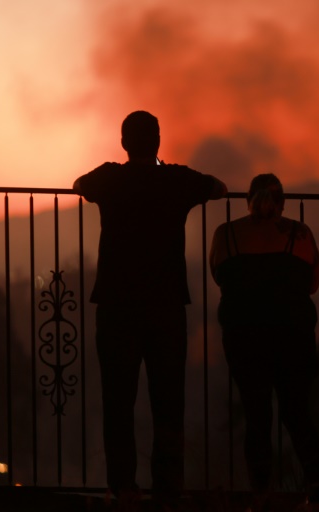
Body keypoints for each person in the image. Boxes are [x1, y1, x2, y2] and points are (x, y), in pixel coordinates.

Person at [73, 111, 227, 510]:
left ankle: (123, 487)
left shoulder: (110, 179)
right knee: (168, 400)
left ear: (125, 143)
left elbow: (80, 185)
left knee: (118, 400)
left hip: (116, 305)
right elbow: (218, 187)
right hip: (166, 305)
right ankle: (168, 488)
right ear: (158, 141)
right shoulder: (177, 181)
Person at [209, 174, 319, 512]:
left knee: (257, 416)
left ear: (248, 199)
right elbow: (313, 284)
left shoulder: (226, 234)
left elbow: (219, 276)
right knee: (297, 412)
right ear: (283, 202)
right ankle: (318, 491)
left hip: (244, 338)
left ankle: (260, 495)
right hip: (292, 337)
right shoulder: (300, 235)